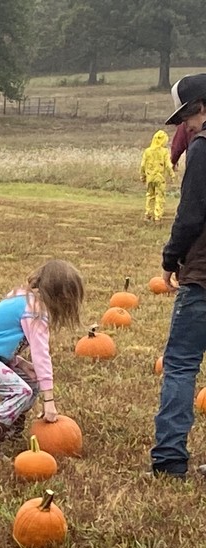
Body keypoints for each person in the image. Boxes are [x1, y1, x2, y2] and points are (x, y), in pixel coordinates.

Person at [0, 260, 85, 457]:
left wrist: (19, 363)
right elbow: (41, 354)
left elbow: (2, 338)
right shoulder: (33, 312)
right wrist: (48, 400)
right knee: (20, 391)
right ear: (60, 294)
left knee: (31, 382)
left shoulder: (24, 298)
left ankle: (10, 428)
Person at [150, 73, 206, 479]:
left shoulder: (203, 148)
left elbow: (190, 213)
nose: (185, 127)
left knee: (182, 365)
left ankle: (170, 458)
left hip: (203, 274)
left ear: (199, 108)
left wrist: (171, 258)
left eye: (186, 117)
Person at [140, 129, 175, 223]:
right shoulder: (164, 151)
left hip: (149, 177)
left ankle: (148, 214)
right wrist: (172, 175)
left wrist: (142, 176)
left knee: (150, 196)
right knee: (160, 196)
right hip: (160, 178)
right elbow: (168, 164)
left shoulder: (147, 151)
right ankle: (157, 217)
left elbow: (142, 165)